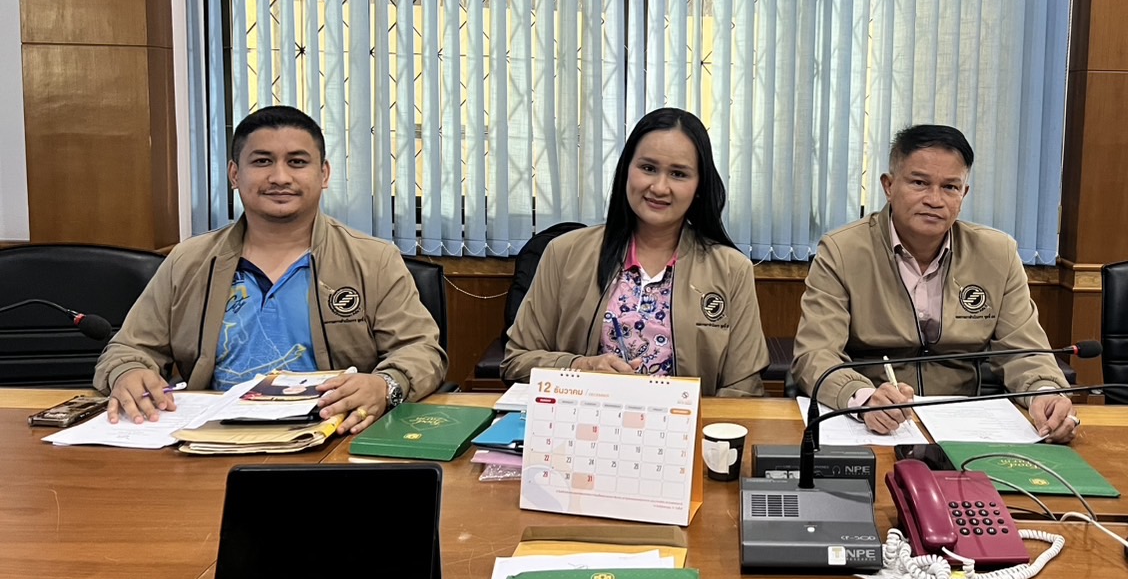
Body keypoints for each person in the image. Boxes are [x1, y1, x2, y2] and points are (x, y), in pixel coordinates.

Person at [95, 105, 448, 429]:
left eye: (297, 162)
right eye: (262, 161)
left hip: (332, 432)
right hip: (212, 436)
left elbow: (421, 351)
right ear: (235, 174)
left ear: (323, 173)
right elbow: (129, 349)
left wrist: (384, 385)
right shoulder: (188, 261)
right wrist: (127, 372)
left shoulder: (373, 260)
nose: (280, 177)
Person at [791, 124, 1079, 441]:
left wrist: (1045, 394)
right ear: (889, 186)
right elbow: (816, 354)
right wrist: (862, 397)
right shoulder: (842, 251)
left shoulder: (997, 254)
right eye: (919, 183)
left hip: (968, 425)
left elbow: (1025, 352)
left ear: (963, 194)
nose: (934, 199)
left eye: (950, 187)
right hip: (875, 425)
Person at [501, 107, 768, 396]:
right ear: (627, 169)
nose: (660, 187)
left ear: (699, 186)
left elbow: (744, 389)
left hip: (689, 422)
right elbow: (516, 362)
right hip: (585, 418)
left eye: (678, 174)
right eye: (648, 168)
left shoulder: (731, 269)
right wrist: (580, 367)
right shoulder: (564, 253)